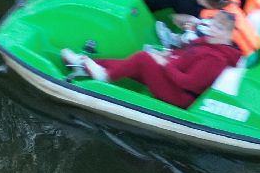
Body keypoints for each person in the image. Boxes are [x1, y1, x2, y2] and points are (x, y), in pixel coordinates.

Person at [61, 12, 241, 109]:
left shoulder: (216, 59)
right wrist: (168, 55)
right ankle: (82, 64)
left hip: (178, 95)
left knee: (142, 58)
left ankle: (104, 76)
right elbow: (185, 53)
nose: (211, 29)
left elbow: (189, 83)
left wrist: (164, 64)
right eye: (213, 24)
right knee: (132, 64)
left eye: (218, 28)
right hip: (171, 76)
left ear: (228, 34)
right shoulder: (207, 42)